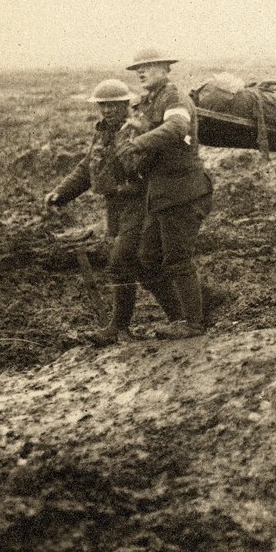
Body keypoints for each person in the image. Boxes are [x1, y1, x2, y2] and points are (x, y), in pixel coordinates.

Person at [45, 79, 177, 344]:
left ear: (126, 104)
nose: (107, 110)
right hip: (116, 207)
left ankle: (119, 327)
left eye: (113, 105)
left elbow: (151, 165)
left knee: (120, 261)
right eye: (102, 105)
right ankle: (180, 315)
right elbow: (89, 167)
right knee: (141, 266)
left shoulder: (138, 129)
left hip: (141, 204)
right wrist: (62, 192)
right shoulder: (103, 132)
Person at [115, 48, 214, 340]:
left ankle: (194, 323)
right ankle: (182, 315)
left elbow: (177, 126)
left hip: (183, 192)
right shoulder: (151, 101)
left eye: (148, 67)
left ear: (165, 69)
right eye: (138, 69)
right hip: (163, 195)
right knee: (148, 258)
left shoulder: (173, 97)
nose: (141, 72)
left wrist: (140, 142)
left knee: (177, 258)